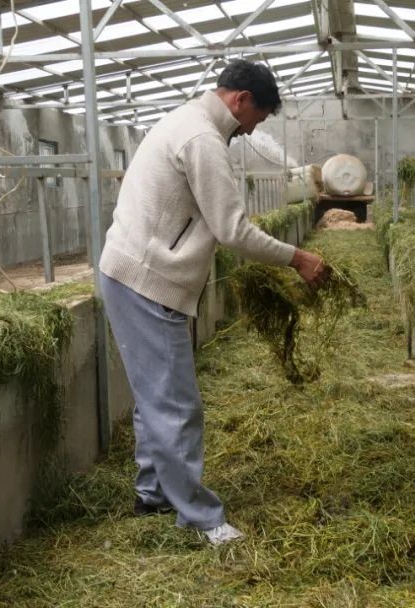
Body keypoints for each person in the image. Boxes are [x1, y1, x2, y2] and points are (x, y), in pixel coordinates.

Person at [98, 59, 327, 545]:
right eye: (257, 118)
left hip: (132, 270)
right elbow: (233, 230)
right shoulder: (201, 138)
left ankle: (154, 493)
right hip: (148, 277)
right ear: (241, 99)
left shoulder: (189, 122)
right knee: (177, 404)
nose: (252, 130)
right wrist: (297, 258)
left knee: (154, 394)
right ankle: (201, 518)